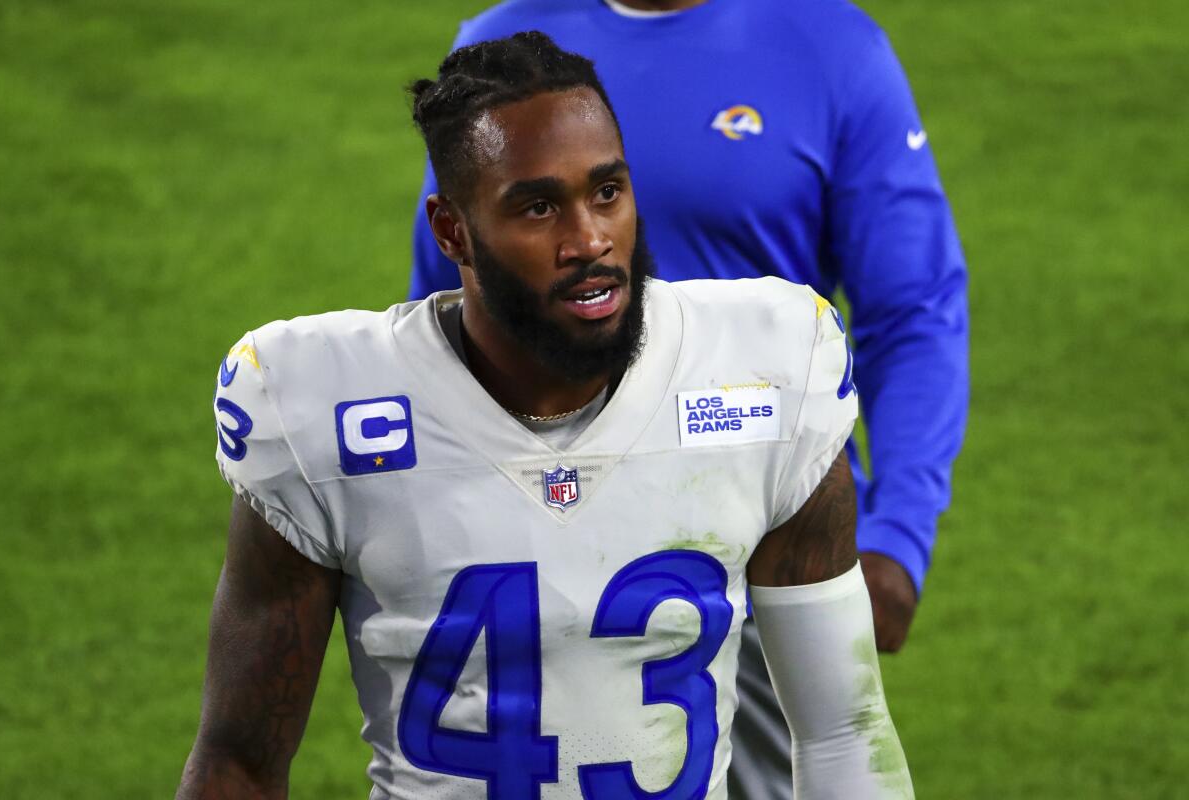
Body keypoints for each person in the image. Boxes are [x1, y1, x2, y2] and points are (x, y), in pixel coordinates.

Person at [178, 32, 912, 799]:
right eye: (537, 207)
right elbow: (238, 763)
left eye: (607, 192)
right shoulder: (319, 409)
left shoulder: (767, 369)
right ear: (452, 231)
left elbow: (843, 735)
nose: (590, 240)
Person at [408, 4, 968, 797]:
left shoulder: (828, 45)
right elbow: (448, 310)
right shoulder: (504, 49)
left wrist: (897, 535)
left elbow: (911, 308)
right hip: (534, 550)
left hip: (755, 547)